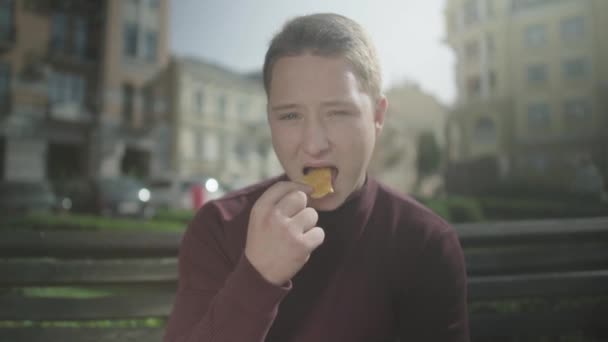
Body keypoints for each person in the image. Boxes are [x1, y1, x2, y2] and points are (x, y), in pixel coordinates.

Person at [164, 13, 469, 342]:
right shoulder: (219, 228)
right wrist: (257, 277)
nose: (314, 144)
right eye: (291, 115)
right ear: (270, 120)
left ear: (377, 117)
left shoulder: (425, 242)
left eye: (338, 113)